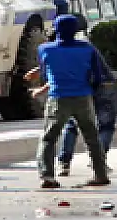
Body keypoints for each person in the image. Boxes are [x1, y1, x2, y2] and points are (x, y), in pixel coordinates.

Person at [34, 14, 111, 189]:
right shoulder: (88, 49)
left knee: (49, 138)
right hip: (83, 96)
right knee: (92, 137)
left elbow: (45, 74)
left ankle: (47, 176)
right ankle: (100, 174)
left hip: (57, 97)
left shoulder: (45, 49)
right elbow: (97, 76)